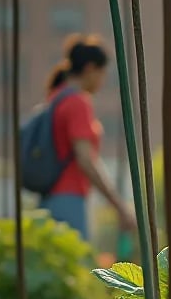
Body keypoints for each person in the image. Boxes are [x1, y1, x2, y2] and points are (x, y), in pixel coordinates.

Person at [42, 35, 136, 240]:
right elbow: (86, 159)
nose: (102, 81)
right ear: (90, 69)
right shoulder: (77, 102)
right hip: (69, 199)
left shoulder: (56, 97)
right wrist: (119, 206)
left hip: (49, 199)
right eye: (102, 74)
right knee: (76, 258)